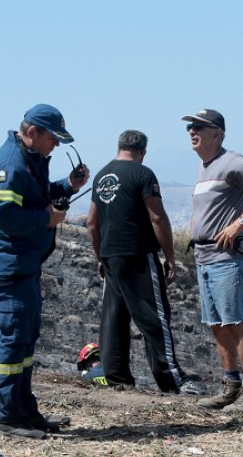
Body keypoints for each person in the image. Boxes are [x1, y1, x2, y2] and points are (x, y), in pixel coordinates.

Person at [0, 104, 90, 439]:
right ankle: (9, 418)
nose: (55, 145)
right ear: (33, 133)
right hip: (9, 267)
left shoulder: (28, 161)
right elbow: (1, 214)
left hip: (23, 266)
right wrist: (47, 219)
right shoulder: (10, 165)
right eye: (52, 139)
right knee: (14, 341)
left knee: (25, 341)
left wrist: (68, 186)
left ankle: (24, 410)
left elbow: (35, 196)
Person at [86, 129, 203, 394]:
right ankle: (172, 380)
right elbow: (157, 218)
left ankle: (116, 376)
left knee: (114, 316)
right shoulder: (143, 174)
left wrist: (100, 257)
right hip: (138, 254)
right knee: (154, 317)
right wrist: (170, 256)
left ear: (119, 147)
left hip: (111, 256)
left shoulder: (102, 176)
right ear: (143, 151)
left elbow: (92, 222)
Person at [182, 109, 243, 413]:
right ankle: (230, 386)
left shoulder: (232, 162)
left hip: (226, 258)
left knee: (235, 322)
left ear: (217, 133)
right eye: (190, 128)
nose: (192, 132)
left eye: (198, 126)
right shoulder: (204, 167)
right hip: (205, 257)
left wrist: (240, 223)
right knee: (217, 325)